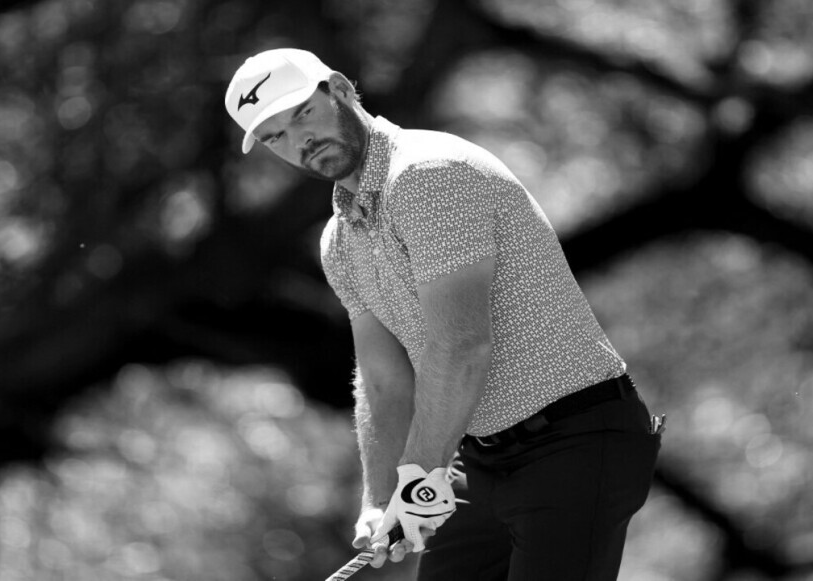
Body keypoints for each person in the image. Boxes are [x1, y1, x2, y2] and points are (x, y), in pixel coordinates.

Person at [225, 48, 662, 581]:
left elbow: (461, 347)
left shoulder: (428, 174)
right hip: (481, 462)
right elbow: (384, 381)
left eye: (302, 115)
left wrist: (417, 481)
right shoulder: (339, 240)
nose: (300, 142)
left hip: (576, 441)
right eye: (276, 137)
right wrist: (381, 499)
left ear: (339, 89)